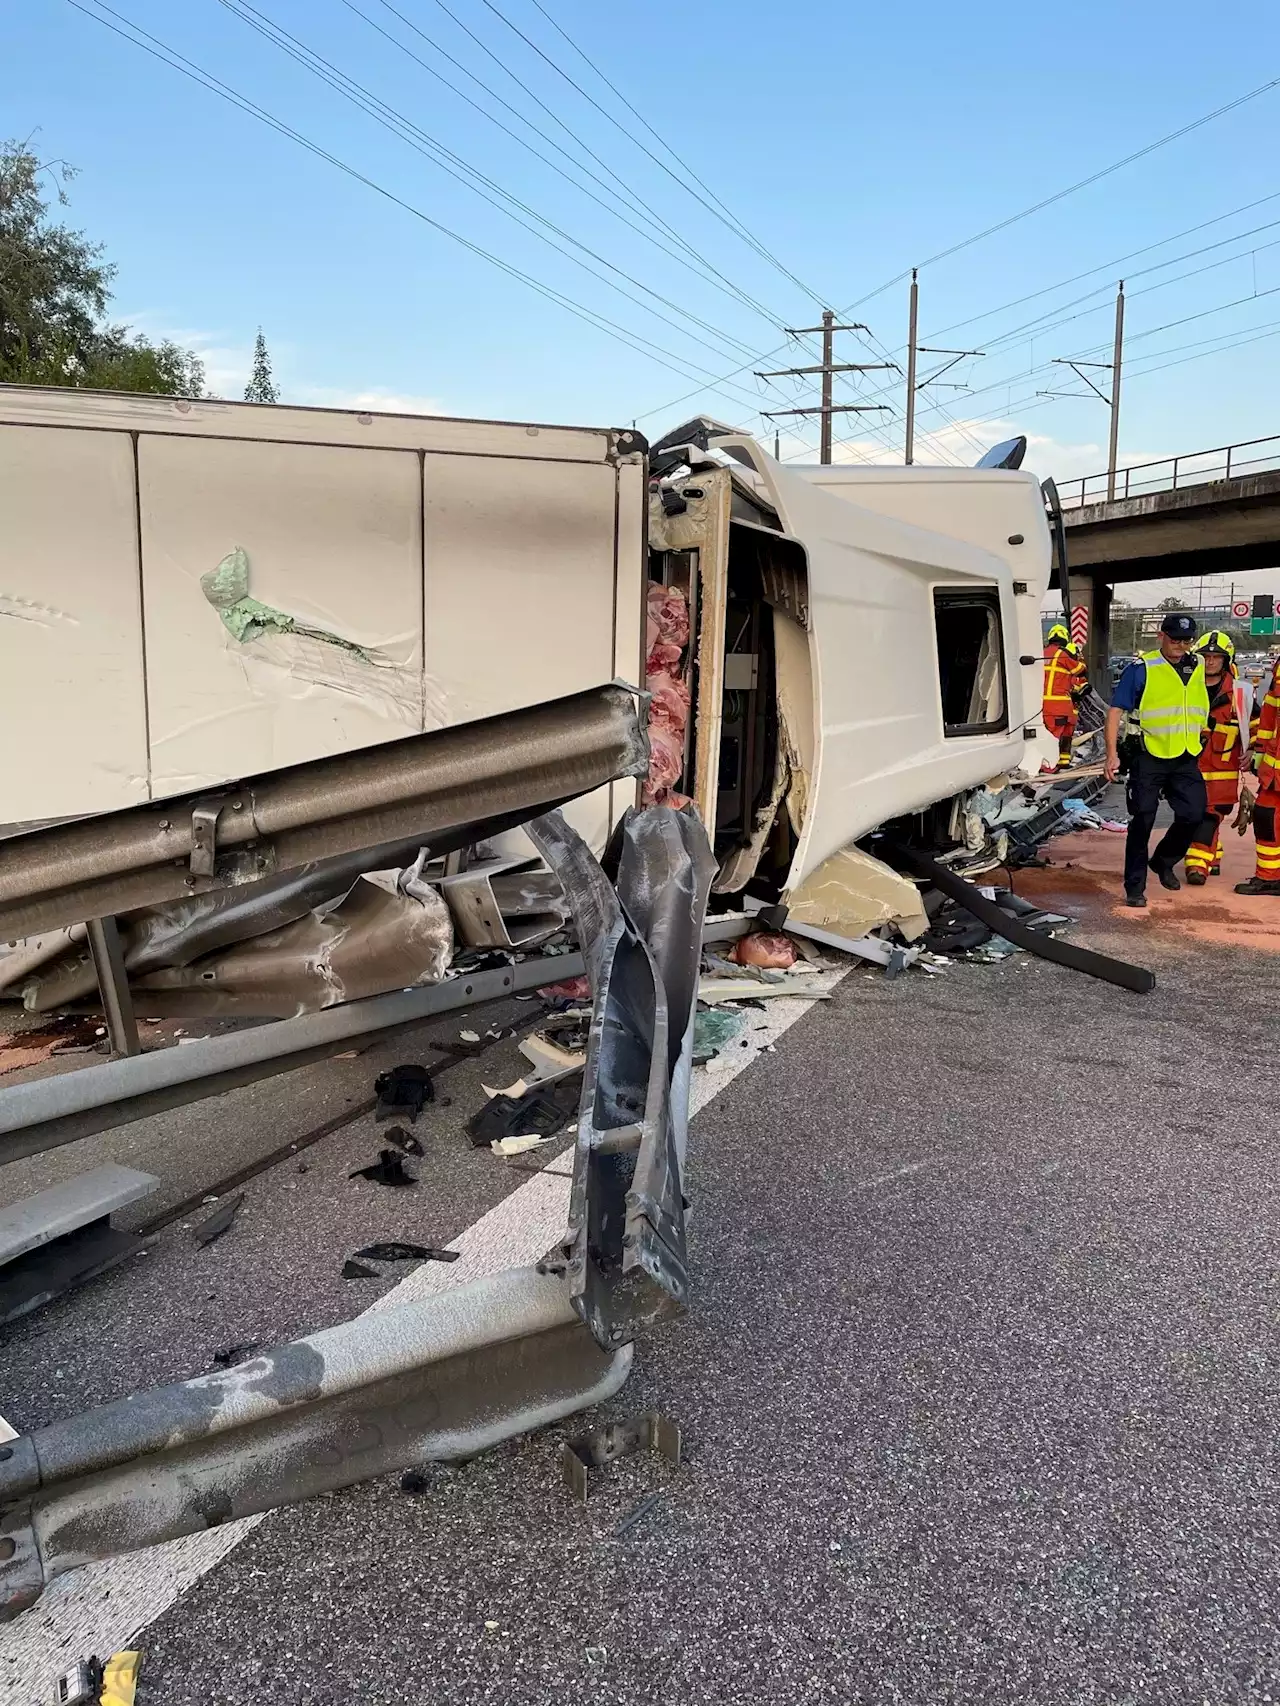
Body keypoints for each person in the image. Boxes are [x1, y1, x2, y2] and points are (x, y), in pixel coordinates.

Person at [1104, 611, 1210, 908]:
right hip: (1148, 754)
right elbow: (1115, 712)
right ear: (1161, 636)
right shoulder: (1142, 668)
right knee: (1143, 818)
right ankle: (1135, 887)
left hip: (1185, 754)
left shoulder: (1196, 664)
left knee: (1194, 813)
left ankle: (1163, 861)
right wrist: (1111, 754)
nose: (1181, 645)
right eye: (1175, 639)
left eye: (1187, 640)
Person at [1184, 631, 1246, 884]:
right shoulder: (1186, 688)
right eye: (1205, 656)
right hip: (1189, 768)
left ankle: (1196, 865)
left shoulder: (1241, 694)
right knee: (1189, 815)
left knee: (1209, 816)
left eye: (1216, 657)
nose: (1210, 662)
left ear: (1226, 660)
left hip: (1223, 772)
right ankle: (1214, 854)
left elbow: (1255, 726)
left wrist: (1253, 751)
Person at [1236, 650, 1280, 897]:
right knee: (1265, 816)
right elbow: (1271, 711)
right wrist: (1260, 750)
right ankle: (1269, 878)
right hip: (1274, 766)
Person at [1043, 622, 1090, 771]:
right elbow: (1080, 670)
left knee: (1054, 734)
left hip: (1043, 704)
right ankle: (1048, 766)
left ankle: (1060, 761)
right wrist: (1079, 658)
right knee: (1056, 735)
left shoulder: (1040, 653)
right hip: (1060, 704)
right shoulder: (1062, 655)